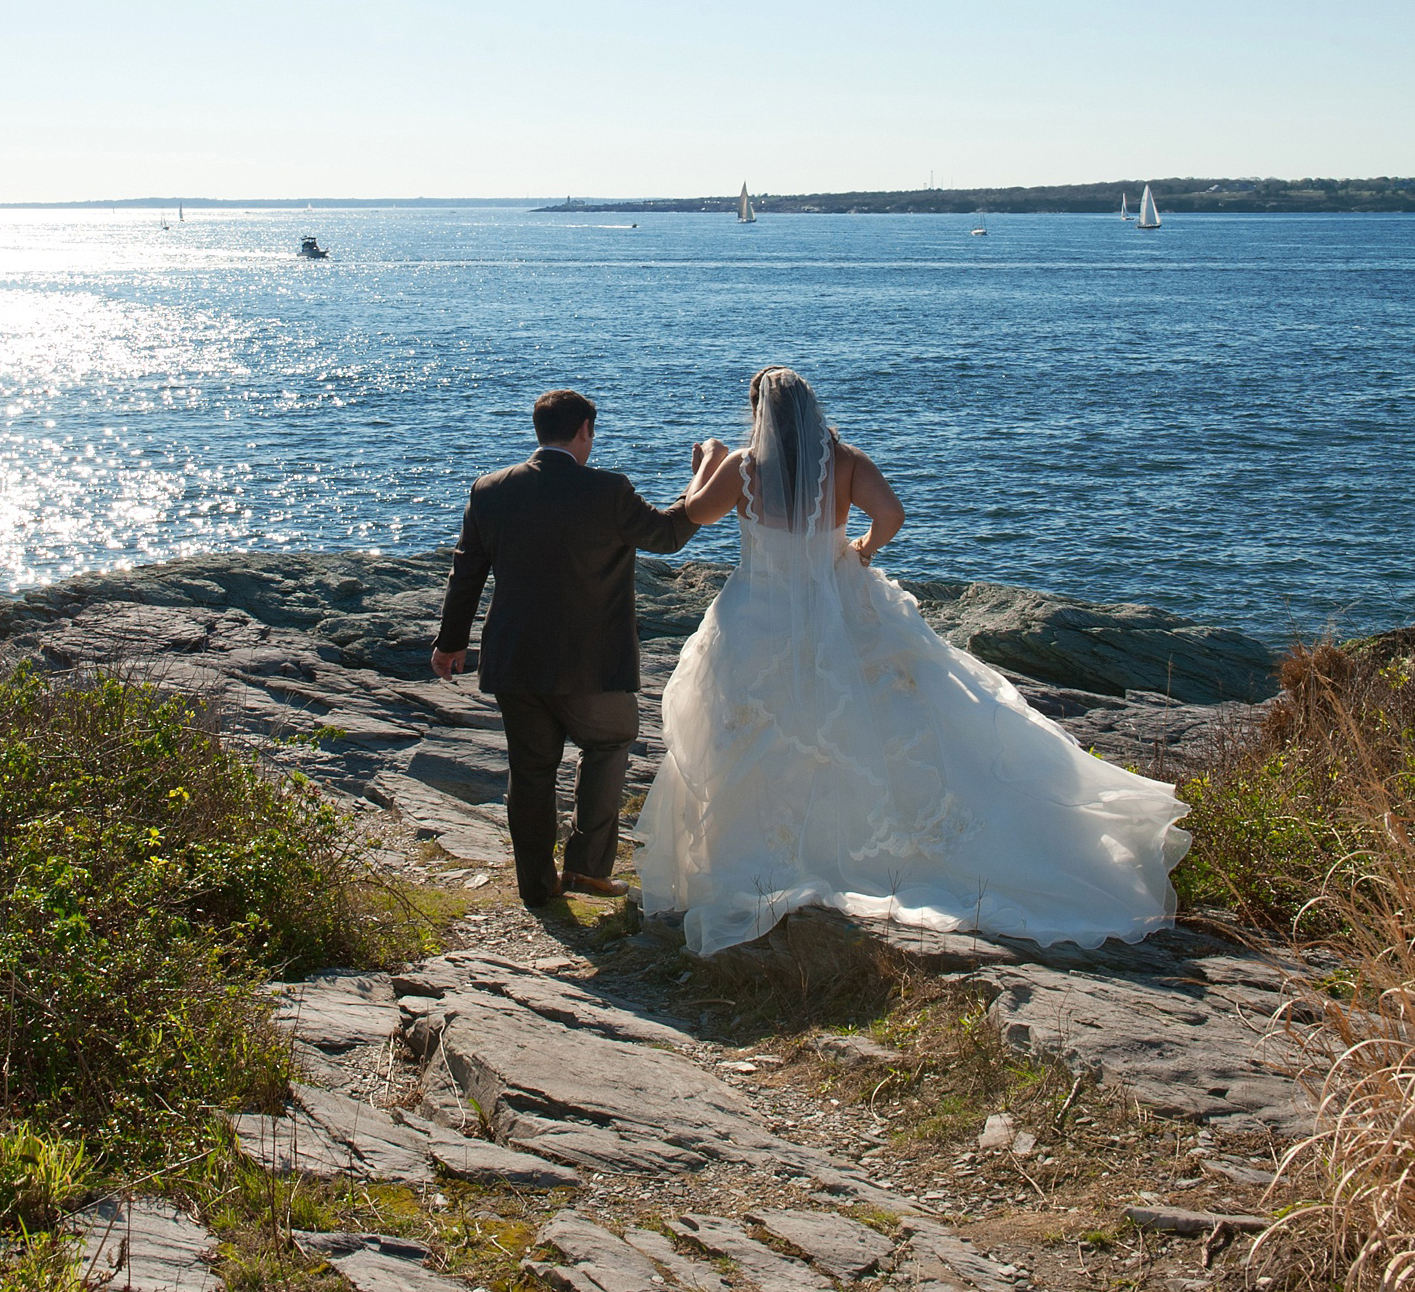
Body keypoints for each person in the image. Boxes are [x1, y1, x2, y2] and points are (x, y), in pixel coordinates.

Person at [637, 366, 1191, 956]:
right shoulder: (845, 461)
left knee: (753, 733)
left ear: (759, 414)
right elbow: (892, 515)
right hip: (841, 602)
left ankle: (756, 852)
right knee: (873, 722)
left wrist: (707, 459)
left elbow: (693, 514)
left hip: (758, 615)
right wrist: (861, 551)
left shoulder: (743, 466)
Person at [432, 388, 699, 910]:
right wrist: (699, 485)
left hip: (515, 659)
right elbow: (667, 536)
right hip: (593, 662)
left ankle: (537, 886)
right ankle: (587, 868)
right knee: (609, 744)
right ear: (584, 431)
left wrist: (451, 643)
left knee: (530, 771)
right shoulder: (608, 490)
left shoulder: (490, 489)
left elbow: (466, 572)